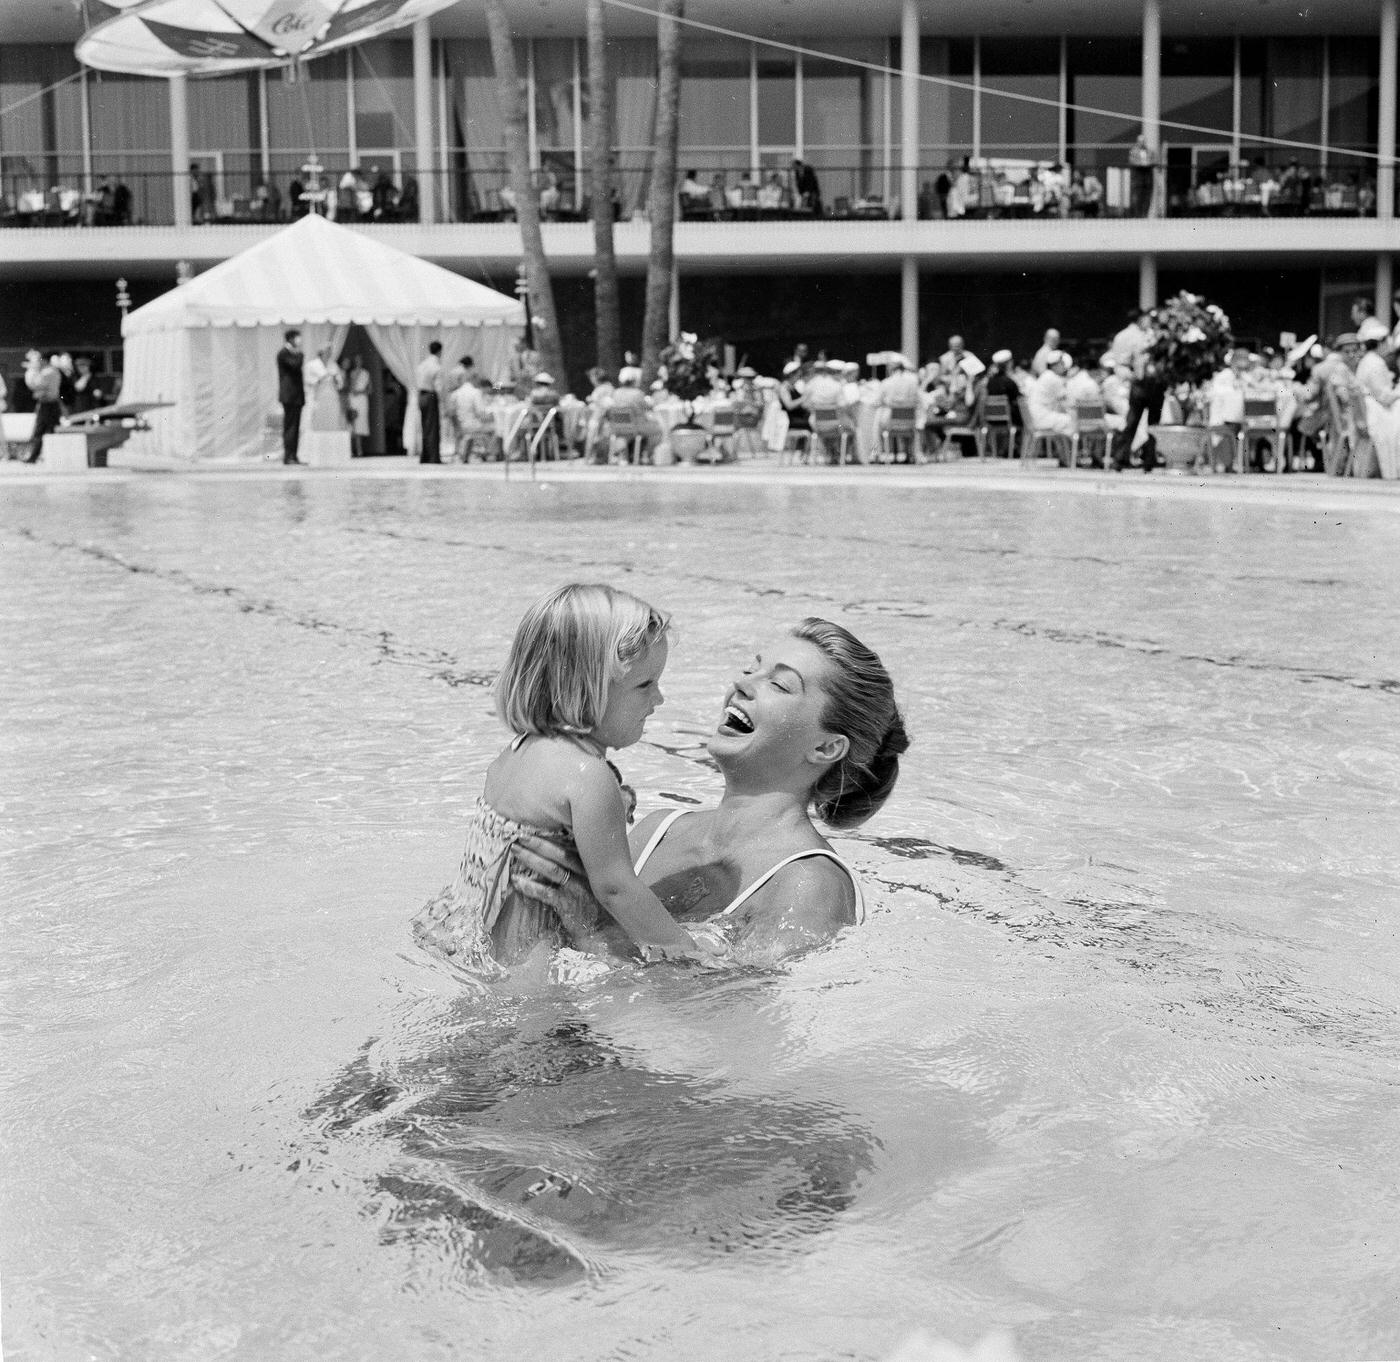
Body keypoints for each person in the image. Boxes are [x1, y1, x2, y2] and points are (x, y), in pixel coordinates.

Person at [511, 617, 909, 968]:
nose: (742, 685)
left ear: (825, 748)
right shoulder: (657, 831)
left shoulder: (807, 883)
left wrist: (583, 923)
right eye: (751, 670)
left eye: (779, 684)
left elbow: (731, 1020)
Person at [412, 583, 704, 975]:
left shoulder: (514, 755)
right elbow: (616, 888)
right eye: (644, 685)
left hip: (467, 931)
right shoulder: (587, 777)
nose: (659, 699)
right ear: (585, 688)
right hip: (531, 956)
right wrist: (683, 947)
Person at [1355, 316, 1400, 478]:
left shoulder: (1368, 361)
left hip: (1370, 409)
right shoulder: (1375, 363)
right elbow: (1384, 396)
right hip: (1374, 412)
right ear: (1380, 343)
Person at [23, 350, 62, 463]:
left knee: (39, 431)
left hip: (47, 405)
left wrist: (31, 369)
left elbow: (34, 384)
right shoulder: (53, 371)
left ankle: (34, 457)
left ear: (44, 361)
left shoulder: (47, 372)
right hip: (52, 404)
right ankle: (50, 457)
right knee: (50, 430)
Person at [276, 329, 305, 465]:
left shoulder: (293, 353)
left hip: (297, 396)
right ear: (291, 339)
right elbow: (295, 364)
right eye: (297, 338)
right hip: (289, 396)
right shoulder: (284, 353)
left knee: (296, 426)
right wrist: (299, 354)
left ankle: (294, 455)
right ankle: (288, 456)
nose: (299, 341)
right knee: (290, 426)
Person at [304, 343, 344, 433]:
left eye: (330, 351)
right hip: (317, 398)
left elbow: (340, 384)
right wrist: (321, 379)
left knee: (332, 424)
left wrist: (335, 380)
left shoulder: (334, 365)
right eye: (327, 350)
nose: (329, 353)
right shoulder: (311, 365)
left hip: (331, 398)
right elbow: (308, 382)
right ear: (321, 351)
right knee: (317, 425)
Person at [416, 340, 444, 463]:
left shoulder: (422, 365)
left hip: (421, 395)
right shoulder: (436, 366)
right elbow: (439, 387)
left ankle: (425, 456)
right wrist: (443, 402)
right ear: (440, 351)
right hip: (430, 395)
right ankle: (433, 457)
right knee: (432, 427)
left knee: (425, 427)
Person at [344, 354, 371, 456]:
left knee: (360, 423)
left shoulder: (366, 373)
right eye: (356, 360)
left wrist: (361, 392)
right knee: (352, 423)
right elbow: (349, 386)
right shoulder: (351, 373)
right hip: (353, 398)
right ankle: (350, 450)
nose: (357, 362)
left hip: (362, 399)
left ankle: (359, 450)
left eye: (359, 360)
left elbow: (370, 389)